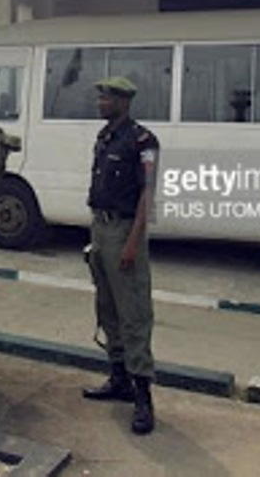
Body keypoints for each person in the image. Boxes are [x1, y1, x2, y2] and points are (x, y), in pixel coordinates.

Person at [81, 76, 159, 435]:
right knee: (107, 307)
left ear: (124, 101)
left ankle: (143, 398)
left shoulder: (142, 141)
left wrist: (132, 242)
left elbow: (147, 194)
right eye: (100, 96)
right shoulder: (105, 137)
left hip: (124, 231)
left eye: (107, 97)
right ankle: (118, 379)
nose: (100, 102)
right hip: (100, 229)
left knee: (133, 313)